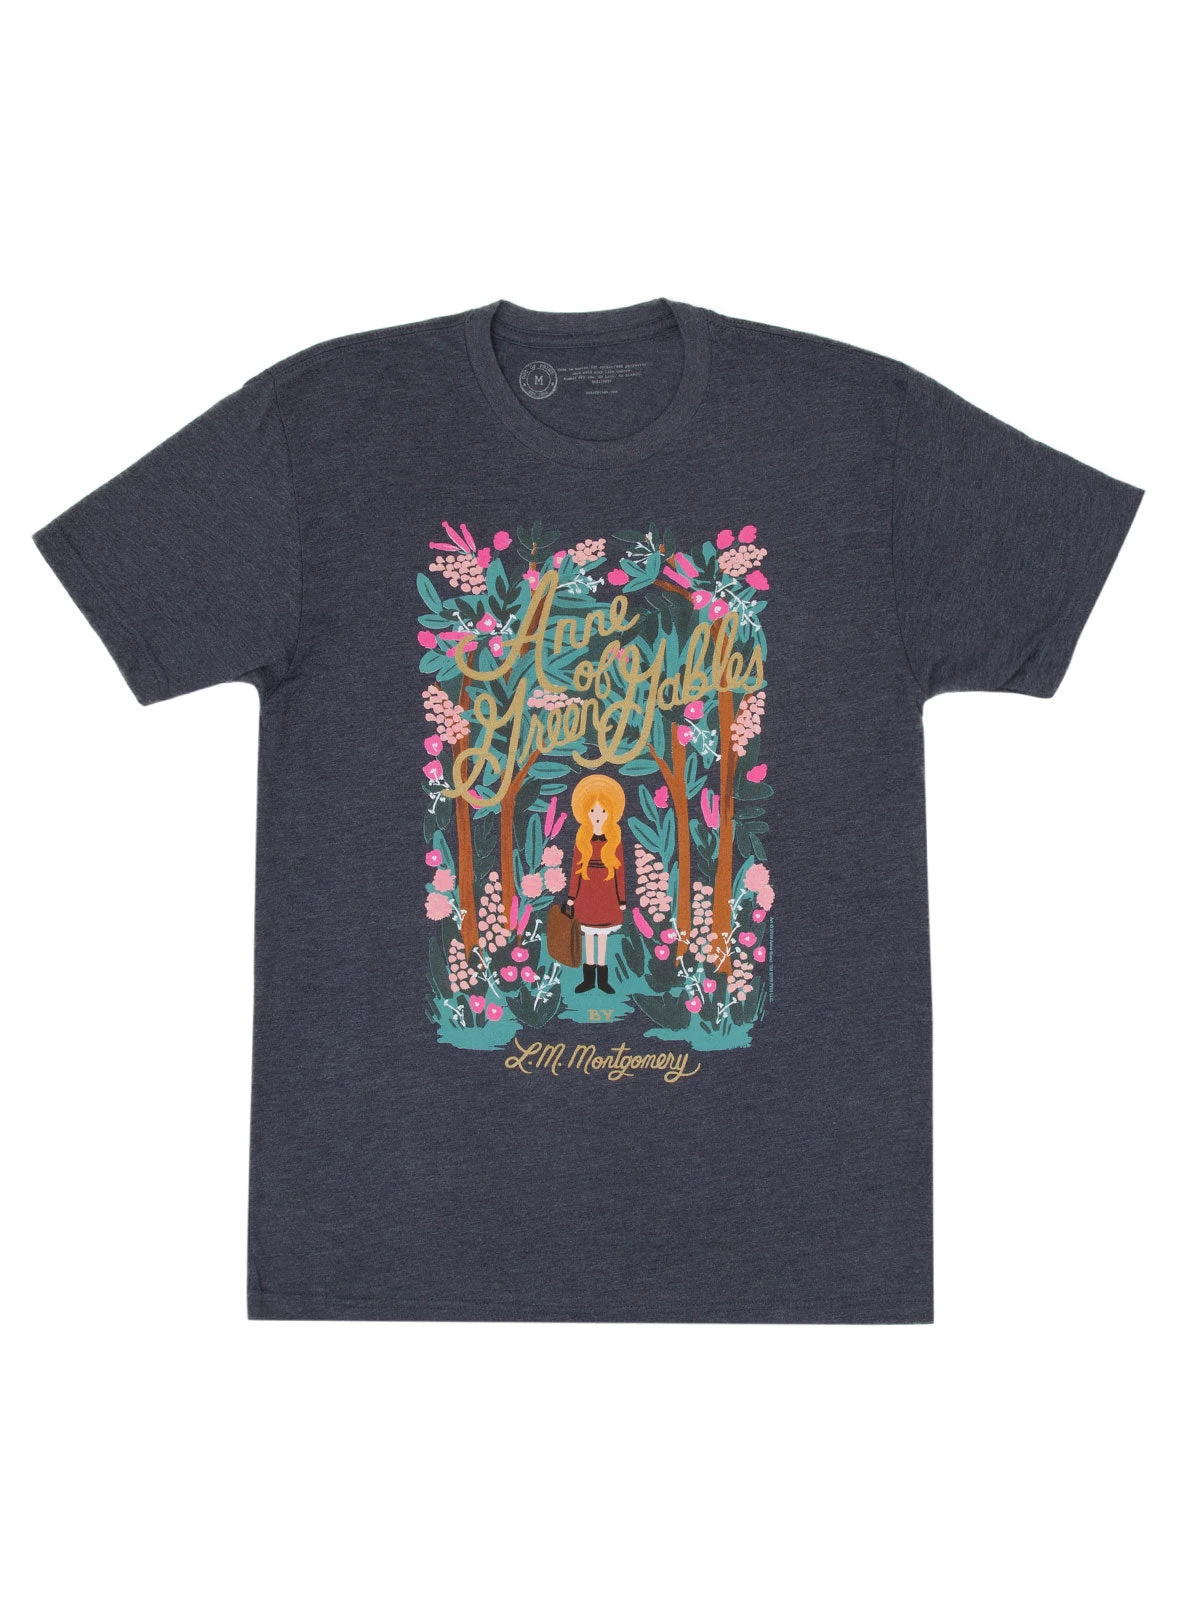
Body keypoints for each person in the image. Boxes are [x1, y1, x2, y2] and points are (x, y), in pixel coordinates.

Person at [565, 775, 627, 995]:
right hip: (586, 893)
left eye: (602, 811)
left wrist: (622, 899)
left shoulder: (615, 840)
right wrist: (571, 896)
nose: (597, 816)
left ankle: (603, 980)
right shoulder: (582, 840)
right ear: (585, 813)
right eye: (593, 811)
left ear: (610, 813)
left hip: (607, 894)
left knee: (602, 936)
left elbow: (620, 872)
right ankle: (588, 980)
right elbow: (575, 870)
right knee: (588, 936)